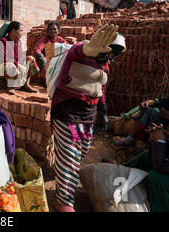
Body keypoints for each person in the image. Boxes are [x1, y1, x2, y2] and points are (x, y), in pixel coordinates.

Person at [50, 24, 125, 212]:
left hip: (88, 118)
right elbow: (78, 50)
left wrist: (104, 113)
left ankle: (63, 187)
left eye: (114, 54)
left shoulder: (104, 66)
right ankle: (64, 202)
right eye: (110, 51)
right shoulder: (79, 53)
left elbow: (102, 90)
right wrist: (88, 49)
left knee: (78, 156)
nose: (111, 57)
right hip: (66, 114)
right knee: (69, 160)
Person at [122, 111, 169, 212]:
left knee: (157, 176)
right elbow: (154, 153)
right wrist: (154, 139)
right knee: (147, 156)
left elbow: (160, 167)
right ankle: (120, 172)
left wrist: (160, 141)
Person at [114, 79, 169, 146]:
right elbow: (161, 101)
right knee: (147, 111)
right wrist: (148, 102)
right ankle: (131, 138)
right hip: (166, 123)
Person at [0, 21, 40, 94]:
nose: (22, 33)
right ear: (13, 31)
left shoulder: (18, 42)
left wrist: (23, 62)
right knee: (10, 65)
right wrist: (18, 65)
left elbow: (19, 57)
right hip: (0, 67)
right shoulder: (2, 42)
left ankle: (26, 85)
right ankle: (10, 86)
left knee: (30, 59)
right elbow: (3, 59)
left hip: (13, 64)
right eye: (21, 30)